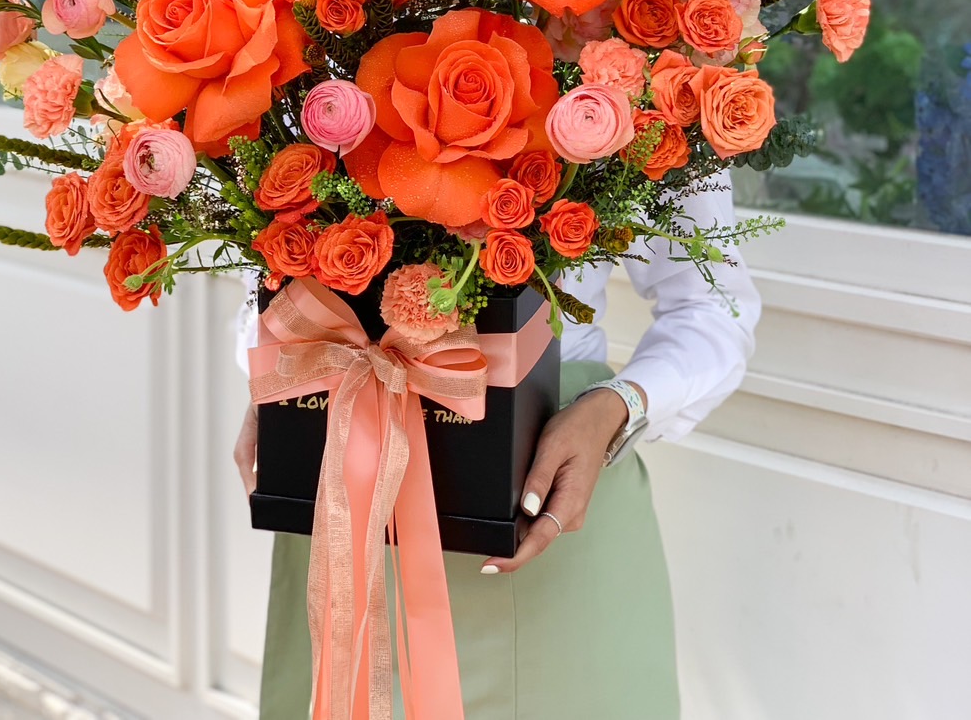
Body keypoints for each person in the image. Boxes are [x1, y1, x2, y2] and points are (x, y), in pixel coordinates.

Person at [235, 173, 759, 719]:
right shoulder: (307, 95)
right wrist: (278, 382)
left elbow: (714, 307)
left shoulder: (634, 95)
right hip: (346, 477)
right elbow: (268, 276)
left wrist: (614, 405)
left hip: (548, 500)